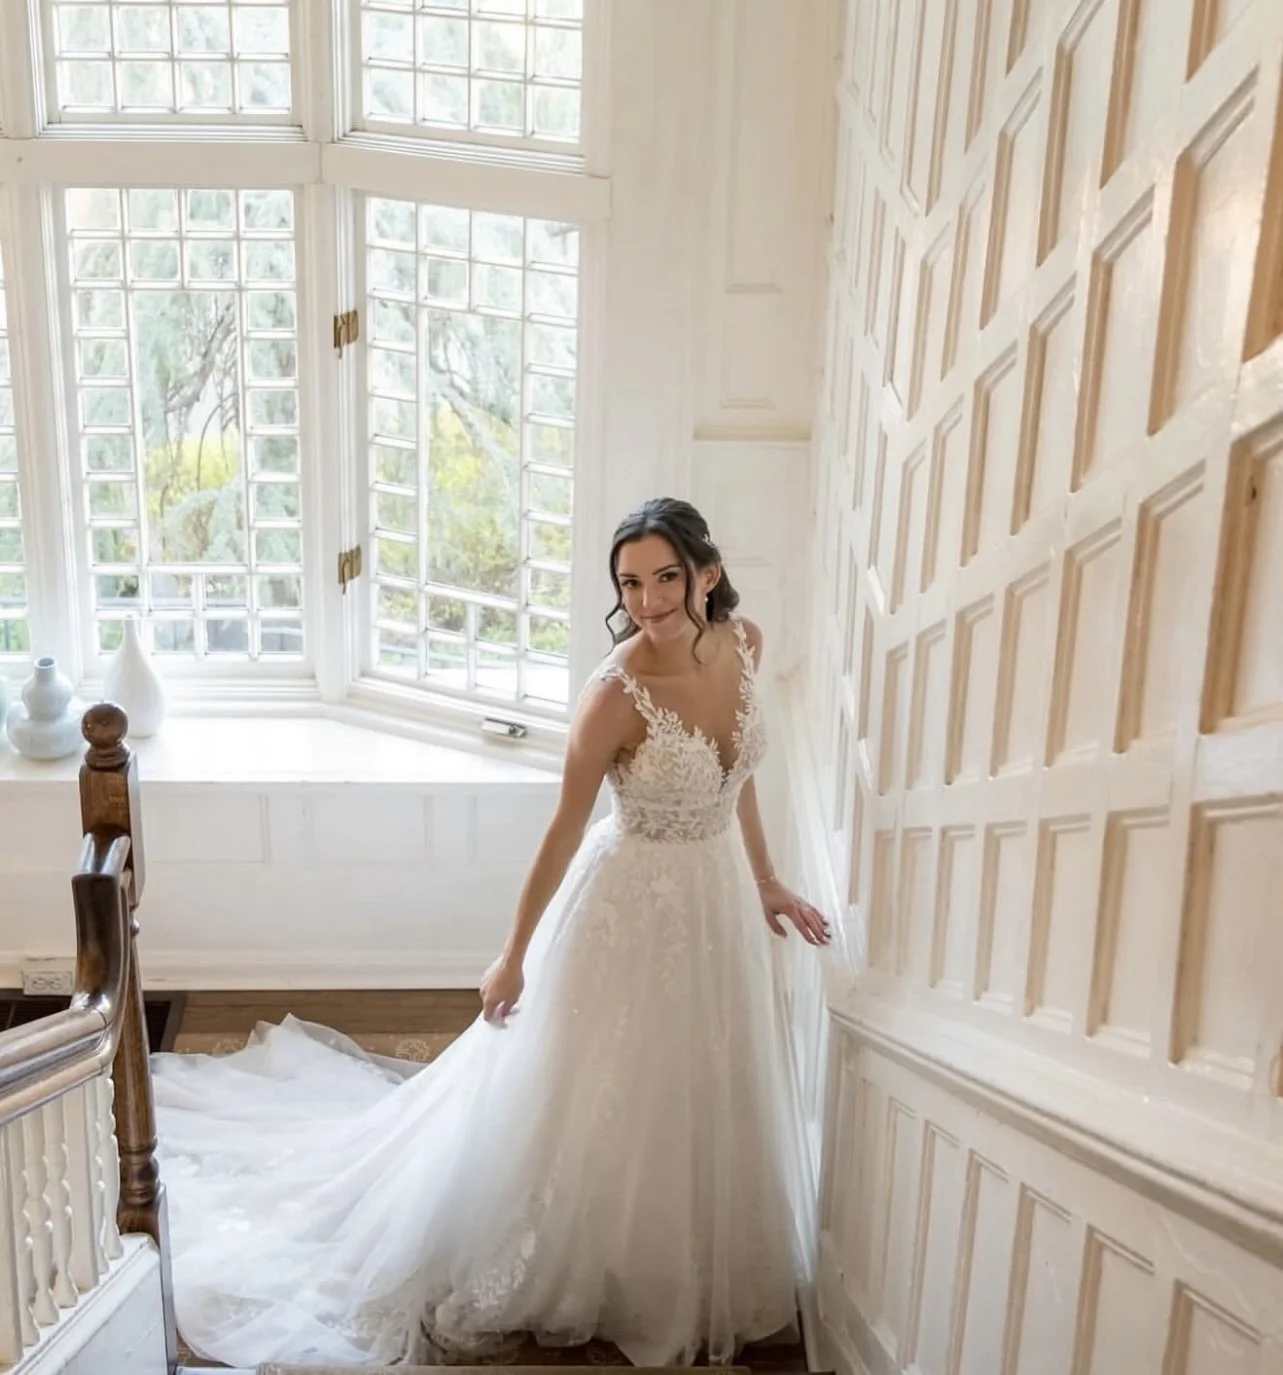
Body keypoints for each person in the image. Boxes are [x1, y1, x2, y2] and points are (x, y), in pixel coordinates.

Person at [151, 497, 831, 1369]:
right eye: (630, 583)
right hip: (626, 904)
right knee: (599, 1090)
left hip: (716, 903)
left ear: (708, 572)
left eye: (666, 577)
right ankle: (575, 1259)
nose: (650, 601)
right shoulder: (615, 695)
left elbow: (737, 779)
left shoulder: (747, 646)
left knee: (695, 1078)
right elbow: (561, 831)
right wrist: (512, 957)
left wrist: (766, 877)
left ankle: (671, 1257)